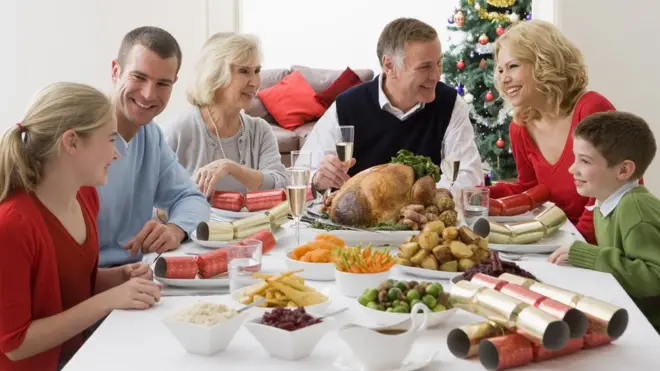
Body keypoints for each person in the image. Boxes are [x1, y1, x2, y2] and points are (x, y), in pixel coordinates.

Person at [0, 82, 161, 371]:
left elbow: (62, 284)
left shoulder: (86, 196)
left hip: (80, 356)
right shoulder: (11, 225)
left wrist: (116, 278)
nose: (117, 154)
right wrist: (106, 301)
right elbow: (15, 343)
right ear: (72, 142)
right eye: (110, 140)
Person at [301, 17, 482, 194]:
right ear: (389, 65)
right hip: (356, 222)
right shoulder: (346, 107)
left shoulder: (450, 104)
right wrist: (318, 179)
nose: (436, 75)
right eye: (424, 67)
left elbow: (470, 175)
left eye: (439, 63)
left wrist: (421, 201)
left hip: (426, 220)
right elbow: (303, 173)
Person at [488, 20, 616, 244]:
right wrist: (480, 193)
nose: (503, 78)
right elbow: (529, 189)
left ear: (544, 62)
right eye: (500, 70)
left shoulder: (592, 110)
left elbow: (610, 193)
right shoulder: (520, 127)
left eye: (513, 66)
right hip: (562, 238)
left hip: (605, 245)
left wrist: (571, 244)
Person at [97, 26, 210, 267]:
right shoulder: (81, 134)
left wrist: (175, 228)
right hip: (91, 284)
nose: (149, 94)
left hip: (139, 271)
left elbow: (190, 198)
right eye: (139, 77)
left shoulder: (151, 134)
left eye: (162, 84)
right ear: (116, 71)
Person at [548, 111, 660, 333]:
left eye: (585, 161)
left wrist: (589, 255)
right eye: (575, 158)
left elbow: (654, 277)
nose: (572, 169)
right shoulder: (605, 204)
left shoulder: (634, 209)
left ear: (624, 170)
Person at [164, 32, 286, 197]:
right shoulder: (179, 130)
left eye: (257, 71)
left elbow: (280, 183)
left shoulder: (260, 130)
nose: (255, 82)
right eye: (244, 71)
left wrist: (232, 168)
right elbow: (154, 199)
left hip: (255, 223)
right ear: (215, 75)